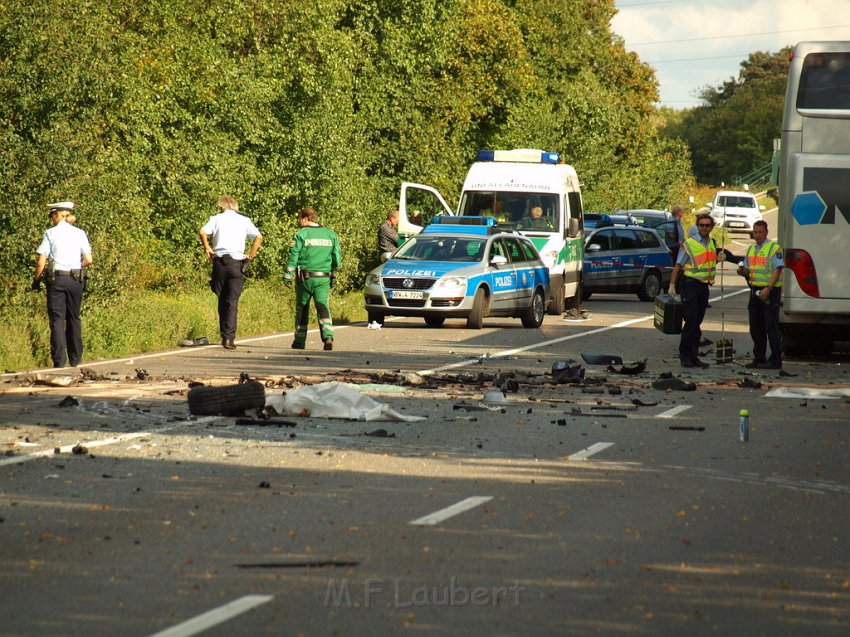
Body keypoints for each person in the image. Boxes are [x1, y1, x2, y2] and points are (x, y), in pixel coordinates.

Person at [32, 202, 93, 368]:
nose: (52, 219)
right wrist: (75, 268)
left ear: (58, 215)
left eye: (53, 215)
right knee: (74, 317)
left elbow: (41, 261)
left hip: (57, 280)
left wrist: (36, 279)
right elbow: (88, 259)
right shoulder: (80, 233)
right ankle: (76, 358)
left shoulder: (50, 233)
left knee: (57, 319)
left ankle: (59, 360)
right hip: (75, 279)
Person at [199, 195, 263, 350]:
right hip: (237, 263)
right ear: (235, 206)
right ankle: (229, 338)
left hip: (220, 262)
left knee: (221, 298)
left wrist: (207, 248)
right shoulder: (244, 220)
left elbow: (202, 232)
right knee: (232, 301)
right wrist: (251, 254)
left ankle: (224, 334)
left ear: (221, 206)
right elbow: (259, 237)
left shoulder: (216, 219)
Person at [668, 213, 725, 368]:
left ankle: (694, 356)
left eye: (707, 225)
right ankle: (685, 356)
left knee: (697, 323)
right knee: (691, 322)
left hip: (703, 287)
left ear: (711, 227)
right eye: (701, 225)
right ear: (697, 226)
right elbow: (678, 266)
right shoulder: (689, 244)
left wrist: (717, 258)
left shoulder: (711, 243)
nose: (704, 228)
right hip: (690, 285)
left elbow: (706, 262)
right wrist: (672, 285)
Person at [284, 207, 342, 351]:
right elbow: (337, 260)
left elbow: (293, 256)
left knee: (302, 308)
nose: (298, 222)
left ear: (305, 218)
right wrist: (333, 271)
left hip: (305, 278)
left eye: (299, 219)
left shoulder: (301, 234)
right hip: (323, 278)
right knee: (322, 306)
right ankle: (328, 337)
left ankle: (299, 340)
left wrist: (287, 275)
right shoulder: (331, 234)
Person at [737, 220, 784, 369]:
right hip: (755, 290)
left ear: (766, 232)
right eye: (755, 232)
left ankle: (776, 359)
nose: (757, 235)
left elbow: (778, 269)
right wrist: (742, 271)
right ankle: (759, 358)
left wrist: (768, 288)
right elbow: (748, 269)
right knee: (756, 327)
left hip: (769, 291)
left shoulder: (774, 248)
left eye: (760, 232)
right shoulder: (751, 249)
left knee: (771, 326)